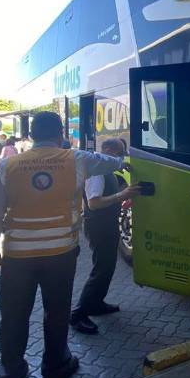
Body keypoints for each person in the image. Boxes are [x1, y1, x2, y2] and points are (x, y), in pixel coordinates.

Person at [0, 111, 133, 378]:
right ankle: (55, 368)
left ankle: (11, 372)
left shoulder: (8, 165)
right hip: (59, 254)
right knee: (56, 312)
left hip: (17, 256)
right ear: (61, 133)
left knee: (13, 316)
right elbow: (115, 161)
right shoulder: (76, 159)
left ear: (31, 135)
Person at [70, 138, 141, 334]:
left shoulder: (106, 169)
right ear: (108, 150)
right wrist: (122, 195)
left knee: (107, 266)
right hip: (98, 224)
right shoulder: (96, 171)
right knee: (101, 268)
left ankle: (96, 303)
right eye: (119, 153)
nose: (120, 157)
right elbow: (94, 203)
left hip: (106, 223)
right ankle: (78, 314)